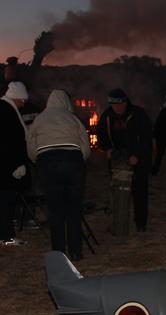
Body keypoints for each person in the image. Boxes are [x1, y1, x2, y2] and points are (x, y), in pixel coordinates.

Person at [27, 89, 90, 260]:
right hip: (73, 162)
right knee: (74, 209)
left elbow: (31, 146)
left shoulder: (39, 119)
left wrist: (38, 160)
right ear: (66, 103)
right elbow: (85, 146)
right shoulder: (73, 119)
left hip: (48, 164)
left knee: (55, 211)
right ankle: (76, 251)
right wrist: (79, 160)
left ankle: (59, 253)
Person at [97, 88, 153, 233]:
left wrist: (137, 155)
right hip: (117, 159)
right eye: (114, 105)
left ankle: (141, 223)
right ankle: (118, 223)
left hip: (137, 160)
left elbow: (146, 137)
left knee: (139, 191)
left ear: (126, 102)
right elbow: (102, 134)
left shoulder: (138, 114)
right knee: (117, 191)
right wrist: (107, 149)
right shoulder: (107, 116)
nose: (118, 108)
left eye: (120, 104)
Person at [0, 82, 29, 246]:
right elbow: (11, 141)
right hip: (6, 168)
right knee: (6, 202)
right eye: (23, 100)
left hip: (4, 165)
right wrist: (18, 164)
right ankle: (7, 237)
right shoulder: (6, 111)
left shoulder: (5, 108)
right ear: (17, 97)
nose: (23, 104)